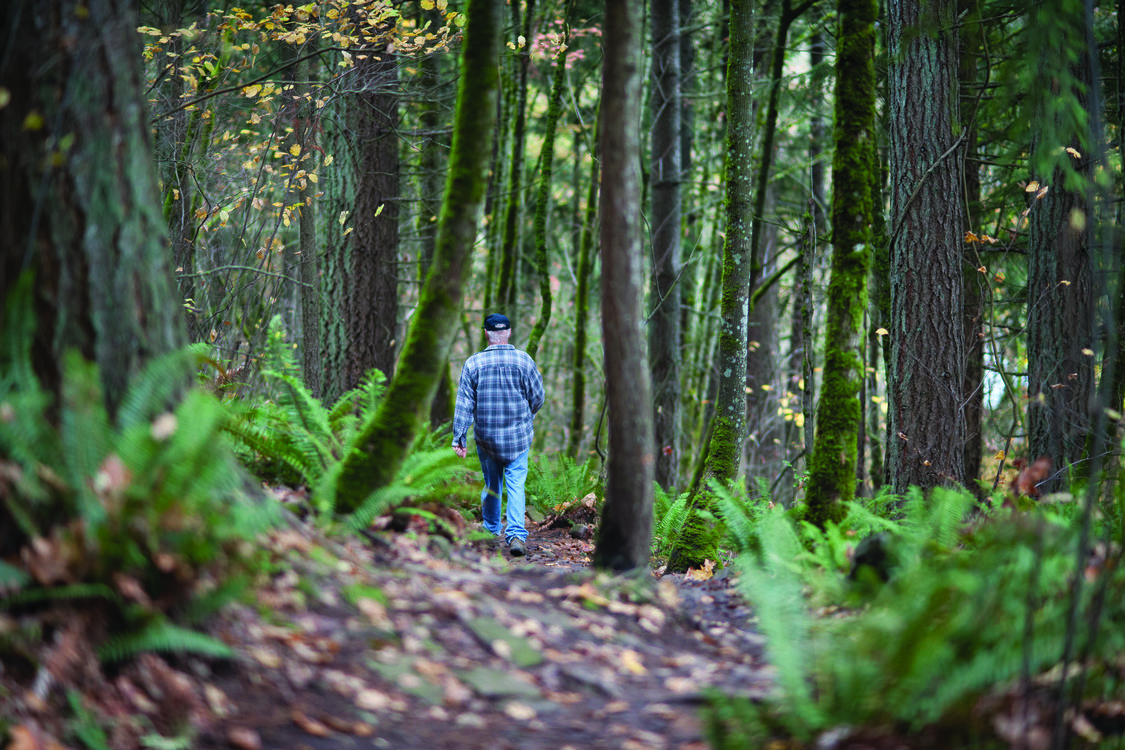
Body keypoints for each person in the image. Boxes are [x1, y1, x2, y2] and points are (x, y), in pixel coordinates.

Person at [452, 313, 545, 557]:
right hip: (518, 437)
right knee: (516, 484)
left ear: (486, 333)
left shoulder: (473, 363)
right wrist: (525, 417)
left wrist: (459, 438)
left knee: (492, 484)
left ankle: (491, 532)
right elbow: (538, 398)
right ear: (509, 332)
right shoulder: (524, 361)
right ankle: (515, 534)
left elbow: (464, 403)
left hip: (487, 437)